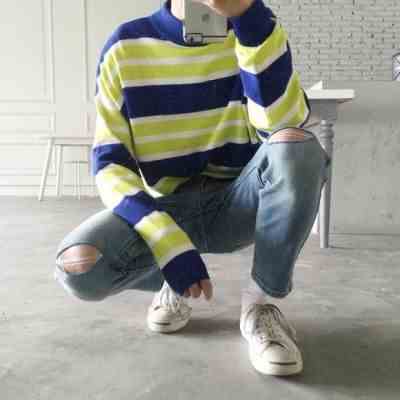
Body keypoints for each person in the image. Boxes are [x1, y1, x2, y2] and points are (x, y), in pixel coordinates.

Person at [54, 0, 331, 376]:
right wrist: (166, 241)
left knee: (298, 146)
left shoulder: (258, 30)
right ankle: (173, 282)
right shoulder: (125, 46)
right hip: (169, 208)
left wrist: (249, 21)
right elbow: (110, 164)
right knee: (79, 268)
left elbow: (283, 129)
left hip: (239, 202)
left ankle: (260, 305)